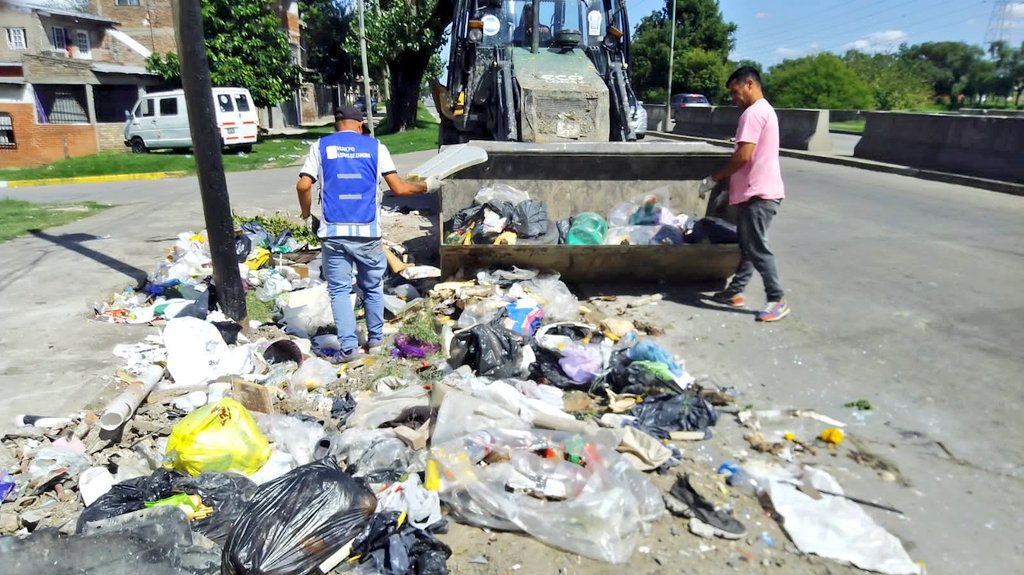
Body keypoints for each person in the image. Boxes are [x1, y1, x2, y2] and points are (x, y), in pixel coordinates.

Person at [296, 104, 439, 362]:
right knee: (373, 286)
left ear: (337, 125)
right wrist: (426, 186)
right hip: (368, 232)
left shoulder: (320, 147)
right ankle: (375, 341)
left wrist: (306, 214)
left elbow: (303, 185)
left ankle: (349, 348)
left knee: (339, 290)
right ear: (360, 125)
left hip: (333, 232)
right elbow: (398, 188)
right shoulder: (375, 147)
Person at [700, 66, 789, 322]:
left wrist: (714, 179)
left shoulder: (752, 114)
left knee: (757, 248)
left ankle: (777, 299)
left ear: (749, 85)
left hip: (759, 194)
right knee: (748, 246)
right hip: (762, 192)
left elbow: (743, 156)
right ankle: (735, 292)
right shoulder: (765, 111)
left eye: (735, 91)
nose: (733, 98)